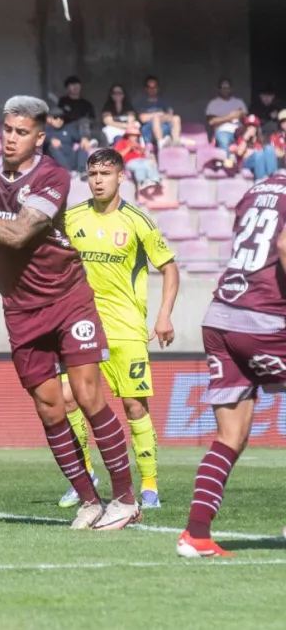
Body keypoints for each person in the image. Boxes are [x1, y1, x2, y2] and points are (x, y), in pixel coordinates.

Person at [0, 96, 140, 531]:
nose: (11, 138)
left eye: (21, 132)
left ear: (39, 136)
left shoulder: (52, 174)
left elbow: (17, 234)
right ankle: (90, 501)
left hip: (68, 298)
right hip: (19, 307)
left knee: (89, 396)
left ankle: (126, 499)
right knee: (50, 409)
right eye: (7, 130)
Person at [57, 148, 180, 511]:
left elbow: (169, 267)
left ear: (121, 176)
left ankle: (149, 487)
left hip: (126, 328)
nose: (97, 180)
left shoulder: (138, 221)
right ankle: (85, 476)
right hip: (82, 326)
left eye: (105, 174)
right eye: (92, 173)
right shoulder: (71, 218)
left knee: (133, 405)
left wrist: (164, 316)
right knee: (68, 399)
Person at [176, 173, 286, 557]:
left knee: (231, 436)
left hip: (221, 316)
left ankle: (196, 535)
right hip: (265, 318)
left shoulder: (257, 189)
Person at [114, 122, 162, 196]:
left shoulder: (138, 144)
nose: (135, 137)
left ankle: (146, 181)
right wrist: (129, 147)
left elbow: (144, 155)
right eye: (132, 135)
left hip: (141, 162)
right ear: (128, 135)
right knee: (143, 165)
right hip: (129, 162)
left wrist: (140, 148)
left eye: (136, 135)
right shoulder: (121, 142)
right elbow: (118, 156)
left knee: (144, 166)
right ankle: (151, 179)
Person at [134, 75, 182, 147]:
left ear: (158, 88)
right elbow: (143, 119)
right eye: (149, 87)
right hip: (149, 132)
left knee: (176, 118)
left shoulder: (164, 101)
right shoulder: (141, 102)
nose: (152, 89)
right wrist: (158, 114)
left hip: (165, 128)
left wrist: (160, 116)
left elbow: (170, 115)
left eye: (154, 86)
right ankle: (161, 144)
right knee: (156, 118)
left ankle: (176, 142)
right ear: (145, 89)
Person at [207, 78, 249, 153]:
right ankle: (226, 163)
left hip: (239, 132)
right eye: (223, 88)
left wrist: (241, 115)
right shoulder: (213, 103)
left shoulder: (239, 102)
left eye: (227, 88)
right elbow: (211, 121)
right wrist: (230, 117)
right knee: (223, 139)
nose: (225, 90)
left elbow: (246, 120)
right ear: (219, 89)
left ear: (231, 89)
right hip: (223, 131)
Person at [232, 115, 278, 181]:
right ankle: (260, 180)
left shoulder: (261, 140)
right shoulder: (241, 138)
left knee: (269, 148)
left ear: (257, 128)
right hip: (246, 163)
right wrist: (246, 138)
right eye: (249, 126)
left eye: (253, 126)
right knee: (259, 154)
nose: (251, 128)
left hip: (260, 162)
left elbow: (270, 154)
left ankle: (273, 178)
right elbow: (239, 153)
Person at [45, 107, 88, 177]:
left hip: (71, 158)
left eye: (61, 117)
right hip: (57, 162)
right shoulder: (45, 129)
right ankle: (66, 171)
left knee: (83, 146)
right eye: (56, 117)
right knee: (52, 147)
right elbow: (37, 139)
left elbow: (80, 138)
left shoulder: (68, 128)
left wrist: (84, 138)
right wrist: (50, 139)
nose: (59, 120)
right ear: (49, 119)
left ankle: (82, 171)